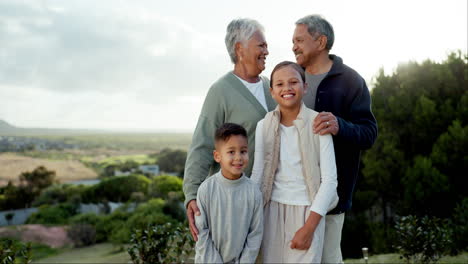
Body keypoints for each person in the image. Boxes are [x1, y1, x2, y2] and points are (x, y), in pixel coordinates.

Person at [292, 14, 378, 263]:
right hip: (292, 196)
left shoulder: (352, 81)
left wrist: (340, 126)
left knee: (329, 258)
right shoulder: (291, 77)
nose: (293, 46)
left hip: (332, 199)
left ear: (320, 42)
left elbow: (369, 134)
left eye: (299, 40)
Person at [183, 18, 276, 241]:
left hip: (273, 197)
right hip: (235, 201)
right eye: (261, 45)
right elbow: (202, 144)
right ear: (239, 49)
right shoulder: (220, 91)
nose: (267, 51)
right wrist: (192, 195)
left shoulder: (271, 86)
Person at [251, 61, 338, 263]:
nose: (287, 88)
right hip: (270, 211)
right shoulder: (263, 125)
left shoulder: (318, 123)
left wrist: (309, 227)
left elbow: (330, 181)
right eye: (279, 84)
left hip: (308, 211)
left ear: (304, 87)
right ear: (272, 91)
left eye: (293, 82)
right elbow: (258, 174)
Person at [195, 123, 263, 263]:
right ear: (217, 156)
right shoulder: (206, 190)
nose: (238, 157)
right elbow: (202, 233)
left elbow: (255, 234)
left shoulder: (253, 191)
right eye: (231, 152)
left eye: (243, 151)